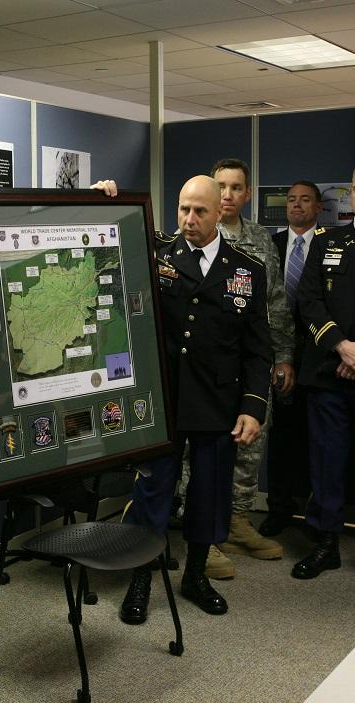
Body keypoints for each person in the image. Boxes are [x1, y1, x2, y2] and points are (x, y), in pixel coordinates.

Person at [120, 175, 272, 622]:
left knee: (209, 496)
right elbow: (115, 224)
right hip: (164, 403)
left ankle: (197, 575)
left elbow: (258, 348)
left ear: (219, 212)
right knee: (153, 493)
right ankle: (141, 575)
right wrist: (105, 192)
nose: (189, 219)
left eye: (199, 211)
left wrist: (252, 406)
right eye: (183, 209)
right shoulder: (159, 255)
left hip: (216, 404)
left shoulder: (247, 269)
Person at [176, 158, 292, 579]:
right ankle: (201, 537)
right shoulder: (177, 245)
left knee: (245, 450)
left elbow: (272, 305)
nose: (227, 194)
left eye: (235, 187)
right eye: (220, 186)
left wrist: (282, 358)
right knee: (194, 462)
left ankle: (235, 522)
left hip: (240, 372)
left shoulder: (259, 243)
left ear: (246, 194)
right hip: (193, 380)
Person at [293, 168, 355, 579]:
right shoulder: (328, 242)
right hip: (329, 371)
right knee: (327, 461)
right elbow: (309, 301)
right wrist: (343, 347)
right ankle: (326, 541)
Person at [261, 181, 324, 537]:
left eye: (305, 201)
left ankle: (316, 511)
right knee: (281, 435)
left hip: (317, 351)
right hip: (278, 350)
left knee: (317, 435)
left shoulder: (330, 244)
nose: (297, 206)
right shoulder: (272, 244)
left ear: (318, 208)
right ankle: (279, 508)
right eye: (291, 200)